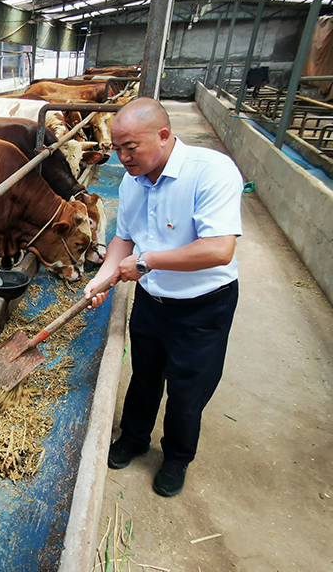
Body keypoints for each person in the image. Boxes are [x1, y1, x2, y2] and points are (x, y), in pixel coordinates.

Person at [84, 97, 242, 497]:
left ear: (164, 135)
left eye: (130, 147)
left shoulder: (211, 172)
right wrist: (101, 280)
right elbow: (124, 238)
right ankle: (135, 437)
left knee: (189, 388)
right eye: (117, 148)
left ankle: (177, 456)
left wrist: (148, 262)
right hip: (153, 302)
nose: (121, 157)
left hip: (203, 305)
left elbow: (219, 249)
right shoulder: (131, 180)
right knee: (145, 374)